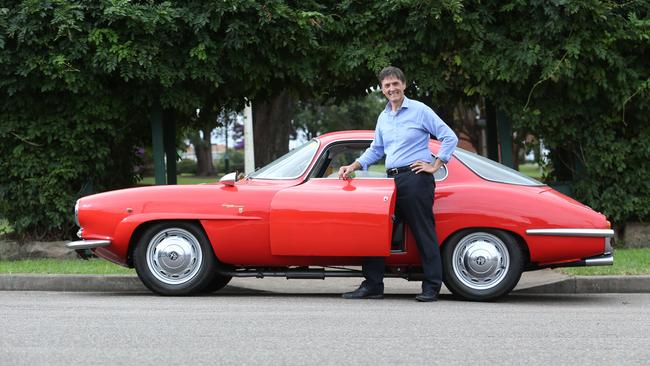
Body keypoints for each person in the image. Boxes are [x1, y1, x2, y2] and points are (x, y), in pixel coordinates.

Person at [338, 66, 458, 302]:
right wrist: (353, 166)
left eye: (395, 84)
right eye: (387, 85)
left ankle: (431, 287)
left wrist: (435, 165)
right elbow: (376, 150)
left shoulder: (420, 110)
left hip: (416, 179)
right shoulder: (383, 117)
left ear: (404, 85)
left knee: (423, 232)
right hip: (390, 181)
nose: (392, 88)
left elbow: (449, 136)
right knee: (376, 232)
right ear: (382, 90)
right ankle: (373, 285)